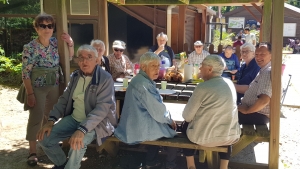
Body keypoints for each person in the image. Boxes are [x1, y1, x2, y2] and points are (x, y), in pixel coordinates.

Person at [36, 45, 117, 169]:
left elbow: (102, 109)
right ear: (78, 61)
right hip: (74, 119)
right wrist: (51, 120)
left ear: (96, 60)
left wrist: (82, 129)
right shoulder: (75, 76)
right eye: (81, 57)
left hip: (97, 124)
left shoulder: (105, 79)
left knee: (77, 143)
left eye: (89, 57)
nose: (84, 61)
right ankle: (62, 164)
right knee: (44, 139)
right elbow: (64, 100)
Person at [21, 13, 74, 166]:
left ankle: (46, 142)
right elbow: (25, 73)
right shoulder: (30, 47)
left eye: (50, 26)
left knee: (50, 116)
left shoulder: (55, 43)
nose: (47, 29)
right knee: (35, 117)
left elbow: (69, 57)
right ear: (37, 28)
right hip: (37, 87)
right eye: (43, 26)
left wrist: (70, 43)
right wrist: (30, 93)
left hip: (54, 85)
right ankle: (32, 151)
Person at [114, 52, 178, 169]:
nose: (157, 69)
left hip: (133, 125)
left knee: (162, 125)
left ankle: (151, 161)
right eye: (153, 66)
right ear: (143, 67)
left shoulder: (139, 79)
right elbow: (159, 113)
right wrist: (170, 120)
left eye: (158, 66)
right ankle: (170, 165)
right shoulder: (144, 84)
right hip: (139, 129)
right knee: (174, 132)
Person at [182, 55, 241, 169]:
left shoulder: (202, 87)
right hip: (230, 137)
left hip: (203, 138)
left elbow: (187, 116)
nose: (200, 69)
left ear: (209, 69)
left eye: (202, 66)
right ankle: (224, 167)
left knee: (184, 125)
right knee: (225, 124)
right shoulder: (230, 84)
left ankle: (191, 165)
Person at [235, 42, 272, 125]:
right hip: (253, 111)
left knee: (221, 115)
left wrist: (247, 110)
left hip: (257, 115)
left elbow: (264, 100)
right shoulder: (263, 70)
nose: (258, 57)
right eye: (256, 54)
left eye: (262, 54)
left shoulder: (267, 72)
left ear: (271, 55)